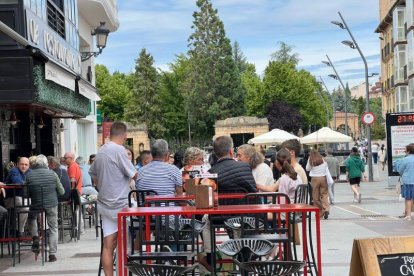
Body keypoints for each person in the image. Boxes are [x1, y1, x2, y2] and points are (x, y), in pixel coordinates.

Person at [201, 136, 257, 271]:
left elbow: (207, 199)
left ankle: (210, 255)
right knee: (238, 223)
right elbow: (253, 192)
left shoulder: (211, 172)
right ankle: (244, 253)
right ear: (231, 151)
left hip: (220, 217)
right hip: (244, 215)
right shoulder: (245, 167)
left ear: (214, 153)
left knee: (204, 220)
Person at [89, 122, 138, 276]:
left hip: (105, 204)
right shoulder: (120, 150)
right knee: (130, 240)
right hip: (122, 205)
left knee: (108, 245)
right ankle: (127, 271)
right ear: (124, 135)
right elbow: (134, 174)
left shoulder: (101, 150)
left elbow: (94, 177)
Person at [26, 154, 65, 262]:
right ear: (46, 164)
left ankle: (35, 237)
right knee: (53, 227)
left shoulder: (29, 175)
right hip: (51, 204)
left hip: (36, 205)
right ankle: (52, 254)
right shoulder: (52, 174)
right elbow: (62, 191)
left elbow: (26, 193)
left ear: (35, 164)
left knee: (31, 218)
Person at [4, 157, 31, 237]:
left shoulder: (30, 171)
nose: (24, 166)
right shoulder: (14, 171)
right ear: (17, 164)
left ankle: (42, 231)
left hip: (24, 199)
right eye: (22, 164)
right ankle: (19, 231)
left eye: (26, 165)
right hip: (10, 199)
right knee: (25, 206)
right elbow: (18, 183)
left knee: (40, 205)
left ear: (29, 166)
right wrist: (28, 183)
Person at [306, 149, 330, 219]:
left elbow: (307, 169)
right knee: (324, 194)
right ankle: (326, 209)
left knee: (315, 197)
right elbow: (326, 167)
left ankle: (320, 212)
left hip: (315, 179)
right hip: (323, 178)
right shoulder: (322, 159)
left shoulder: (311, 159)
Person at [396, 143, 414, 220]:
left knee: (408, 198)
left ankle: (409, 215)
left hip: (408, 181)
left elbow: (400, 171)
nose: (405, 152)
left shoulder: (405, 160)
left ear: (408, 151)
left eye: (405, 151)